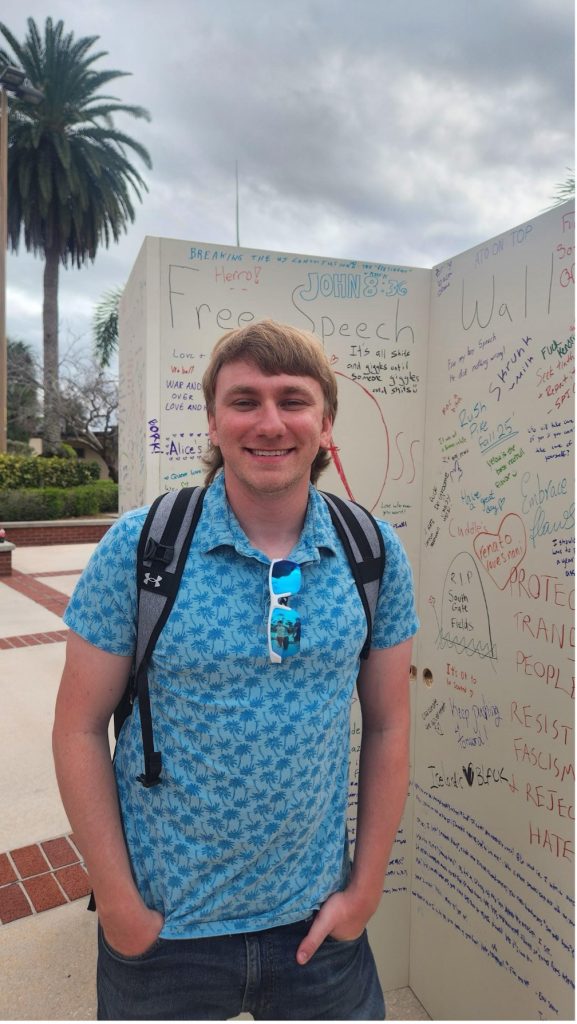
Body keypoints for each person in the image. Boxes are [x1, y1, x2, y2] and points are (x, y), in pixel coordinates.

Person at [53, 319, 419, 1020]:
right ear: (215, 423)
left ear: (326, 422)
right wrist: (122, 908)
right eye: (245, 400)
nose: (270, 422)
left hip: (317, 924)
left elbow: (388, 725)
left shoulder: (370, 552)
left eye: (293, 399)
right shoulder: (142, 547)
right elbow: (77, 729)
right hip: (165, 930)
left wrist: (364, 889)